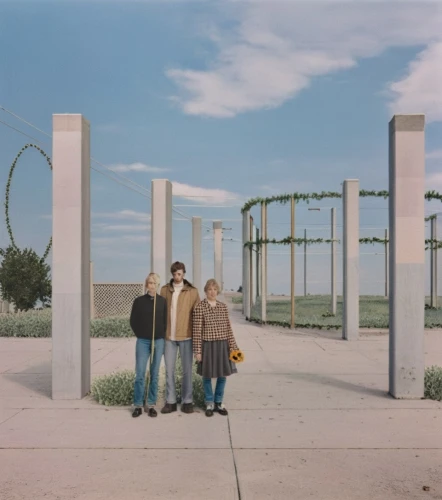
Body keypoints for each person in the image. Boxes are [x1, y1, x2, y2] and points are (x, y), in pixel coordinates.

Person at [193, 278, 239, 417]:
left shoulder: (223, 307)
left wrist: (233, 347)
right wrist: (198, 351)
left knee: (222, 374)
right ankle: (209, 402)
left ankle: (218, 402)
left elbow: (228, 328)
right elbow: (196, 331)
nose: (212, 292)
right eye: (209, 289)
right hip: (207, 344)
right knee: (207, 375)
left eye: (214, 289)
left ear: (217, 291)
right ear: (206, 291)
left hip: (222, 344)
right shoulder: (200, 307)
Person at [160, 262, 200, 414]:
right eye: (175, 274)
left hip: (186, 335)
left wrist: (198, 336)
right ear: (172, 274)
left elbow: (198, 315)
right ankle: (170, 401)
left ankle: (187, 401)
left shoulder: (192, 291)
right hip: (169, 336)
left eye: (180, 273)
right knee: (169, 369)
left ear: (184, 273)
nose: (177, 276)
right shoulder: (164, 290)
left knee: (186, 370)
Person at [130, 272, 167, 418]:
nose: (151, 285)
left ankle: (151, 404)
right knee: (140, 373)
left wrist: (161, 335)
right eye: (149, 283)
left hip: (158, 340)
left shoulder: (162, 301)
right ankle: (138, 404)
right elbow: (133, 320)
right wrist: (141, 333)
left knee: (155, 374)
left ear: (157, 285)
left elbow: (165, 321)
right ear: (146, 284)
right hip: (143, 341)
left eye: (154, 283)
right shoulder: (139, 301)